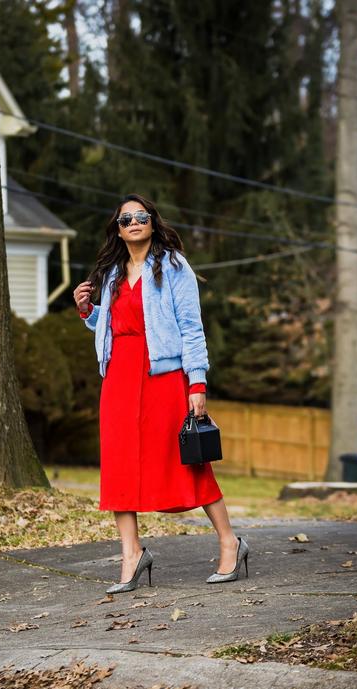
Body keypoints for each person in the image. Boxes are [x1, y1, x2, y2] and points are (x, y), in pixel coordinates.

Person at [73, 193, 249, 593]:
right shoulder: (114, 272)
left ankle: (230, 543)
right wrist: (88, 312)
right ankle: (132, 554)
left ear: (152, 221)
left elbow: (190, 327)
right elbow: (117, 326)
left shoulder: (172, 265)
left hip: (163, 376)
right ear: (117, 230)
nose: (133, 222)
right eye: (125, 219)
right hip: (118, 377)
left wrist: (197, 382)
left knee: (186, 461)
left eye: (140, 216)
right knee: (118, 464)